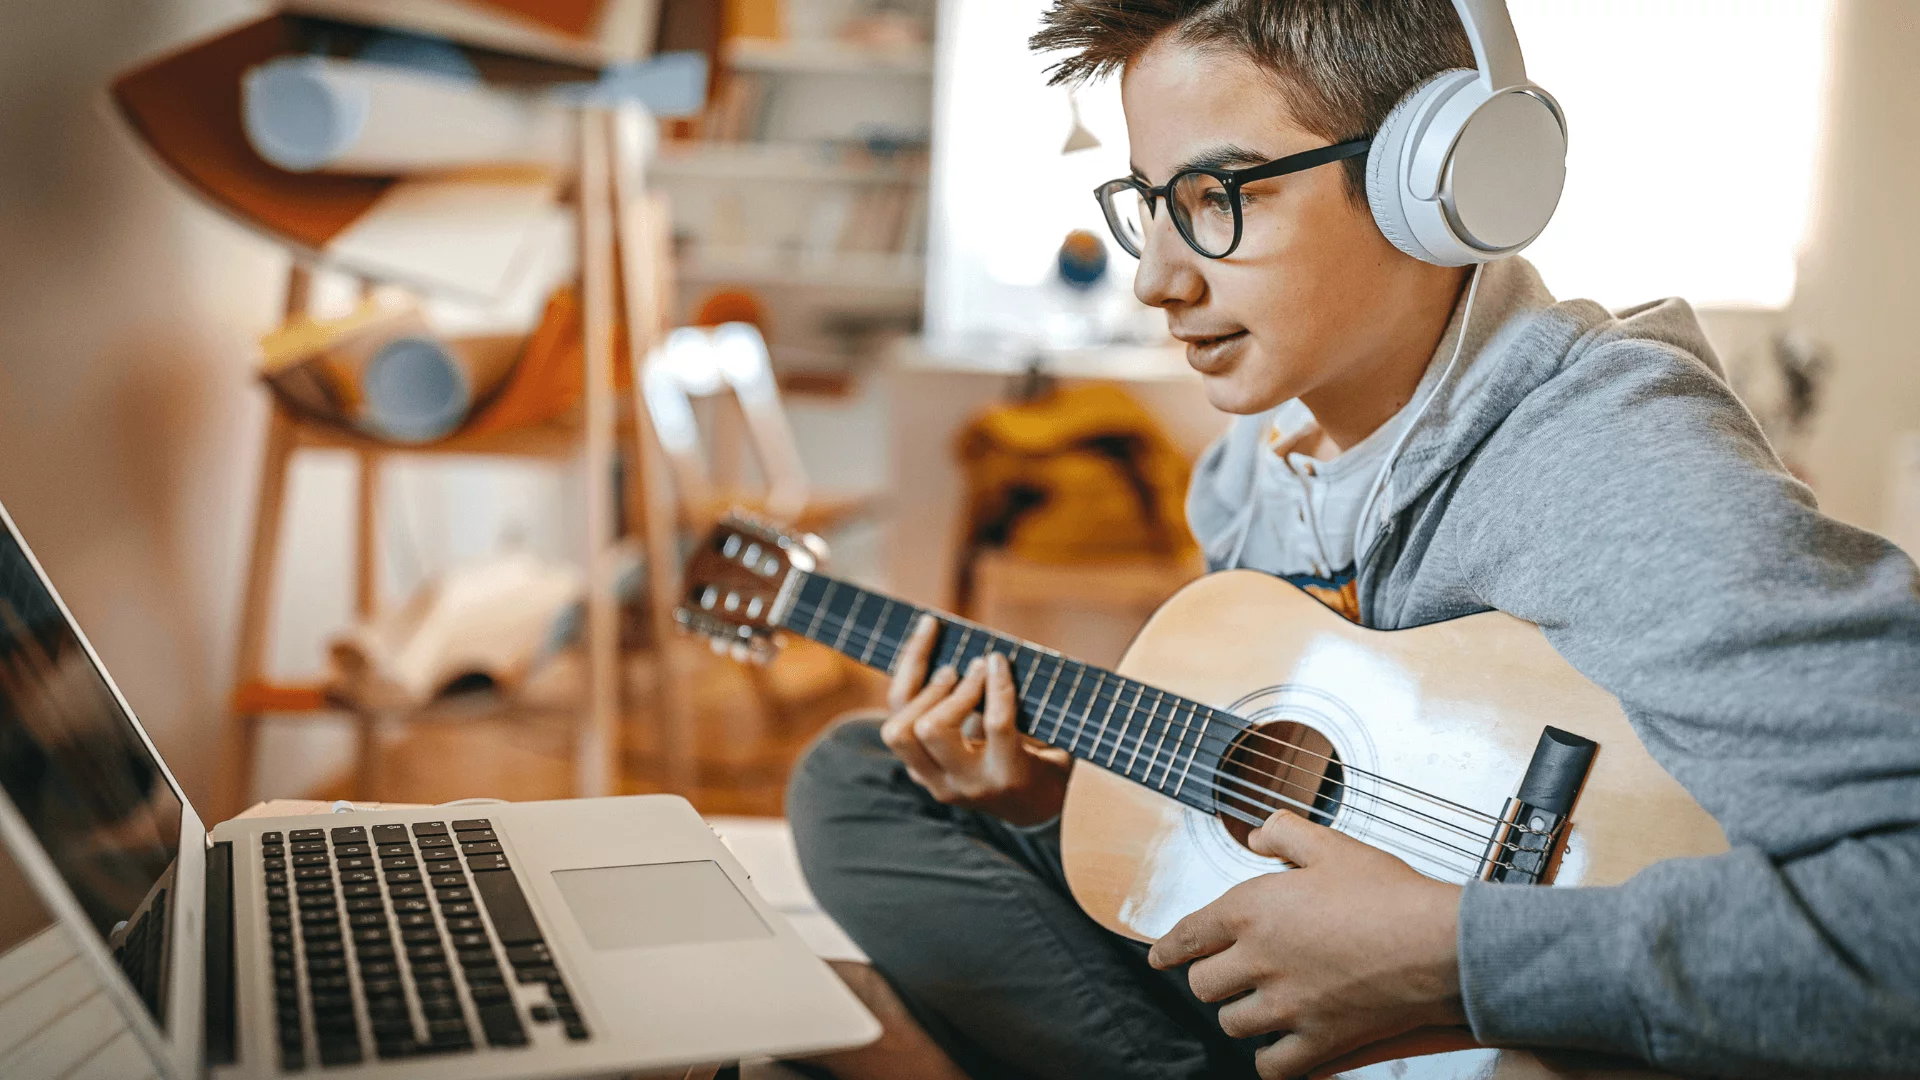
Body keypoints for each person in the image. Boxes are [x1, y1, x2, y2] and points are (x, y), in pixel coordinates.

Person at [785, 2, 1920, 1077]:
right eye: (1149, 203)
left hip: (1520, 1012)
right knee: (857, 777)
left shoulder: (1616, 467)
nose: (1156, 278)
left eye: (1221, 195)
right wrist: (1045, 802)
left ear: (1437, 183)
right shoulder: (1249, 474)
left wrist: (1452, 952)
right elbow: (1282, 811)